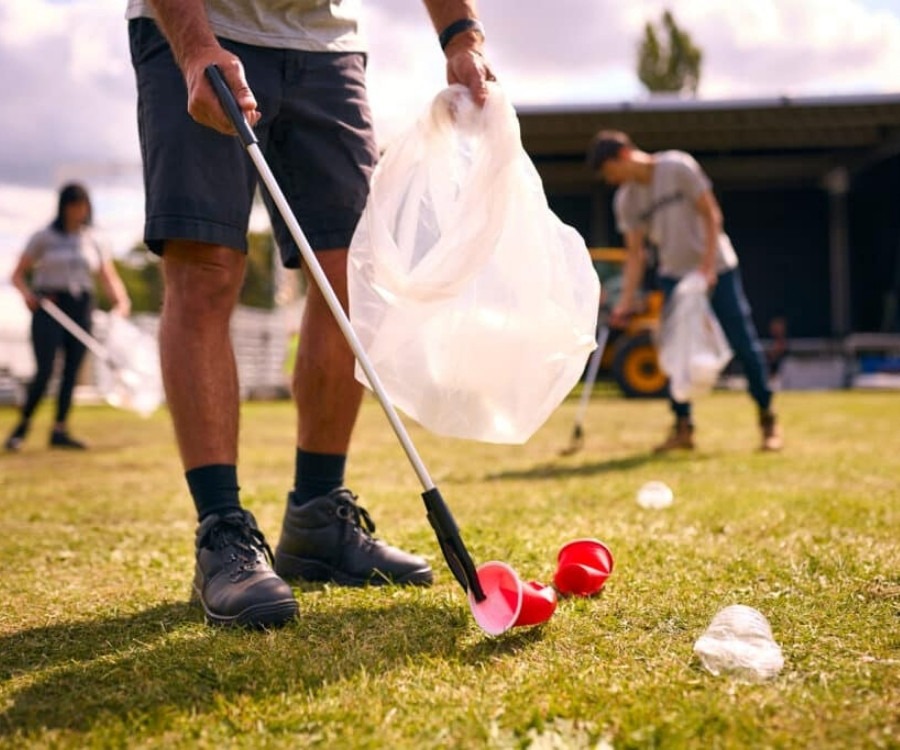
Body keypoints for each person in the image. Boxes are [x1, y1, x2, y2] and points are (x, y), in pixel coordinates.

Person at [125, 1, 496, 628]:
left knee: (350, 271)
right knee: (207, 267)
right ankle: (222, 528)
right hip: (202, 29)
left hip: (326, 47)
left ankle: (318, 518)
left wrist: (462, 34)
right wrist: (193, 49)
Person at [588, 130, 783, 454]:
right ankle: (682, 428)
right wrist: (624, 303)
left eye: (610, 172)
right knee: (672, 353)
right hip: (674, 277)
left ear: (622, 155)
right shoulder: (626, 200)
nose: (612, 181)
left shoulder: (678, 167)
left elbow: (711, 215)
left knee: (744, 344)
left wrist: (707, 268)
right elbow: (635, 253)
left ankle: (767, 420)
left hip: (718, 269)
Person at [4, 183, 132, 453]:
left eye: (83, 206)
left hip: (81, 307)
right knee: (46, 370)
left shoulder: (93, 240)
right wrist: (30, 296)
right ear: (63, 207)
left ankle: (59, 430)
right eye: (73, 206)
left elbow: (107, 276)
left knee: (72, 372)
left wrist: (121, 302)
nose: (78, 211)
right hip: (50, 307)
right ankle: (22, 427)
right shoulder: (44, 237)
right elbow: (17, 274)